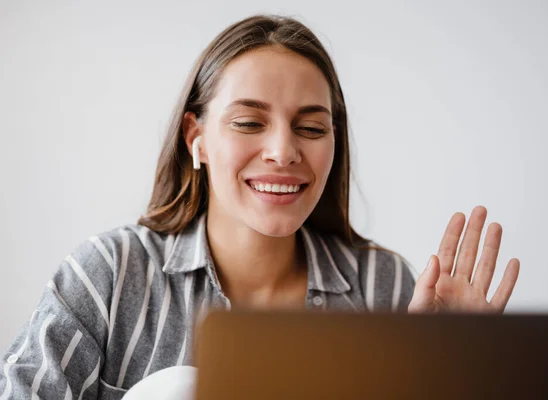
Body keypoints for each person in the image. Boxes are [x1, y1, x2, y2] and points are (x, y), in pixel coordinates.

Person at [0, 14, 520, 399]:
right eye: (249, 122)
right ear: (196, 138)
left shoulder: (387, 290)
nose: (283, 150)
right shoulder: (108, 278)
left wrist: (459, 372)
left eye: (312, 127)